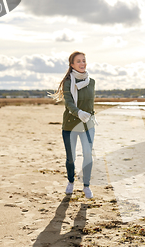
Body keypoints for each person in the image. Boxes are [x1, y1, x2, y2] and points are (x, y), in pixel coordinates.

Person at [50, 51, 96, 199]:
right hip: (70, 125)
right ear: (72, 65)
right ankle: (70, 181)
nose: (82, 63)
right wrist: (78, 113)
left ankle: (86, 185)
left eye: (84, 60)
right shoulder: (68, 82)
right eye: (79, 61)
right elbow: (69, 103)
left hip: (88, 125)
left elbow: (90, 104)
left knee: (88, 155)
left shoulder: (92, 82)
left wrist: (90, 116)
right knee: (71, 158)